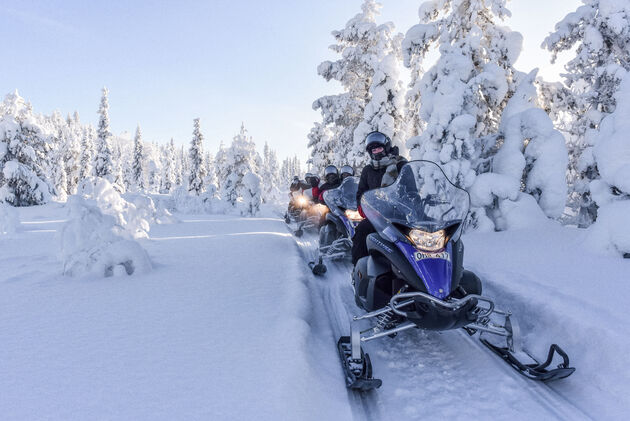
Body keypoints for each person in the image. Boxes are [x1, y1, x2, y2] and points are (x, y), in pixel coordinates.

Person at [352, 131, 407, 265]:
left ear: (387, 147)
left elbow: (411, 190)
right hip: (377, 217)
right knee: (361, 231)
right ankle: (359, 268)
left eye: (379, 147)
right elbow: (361, 193)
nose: (376, 151)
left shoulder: (401, 165)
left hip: (400, 215)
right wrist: (364, 209)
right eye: (373, 149)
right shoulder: (368, 170)